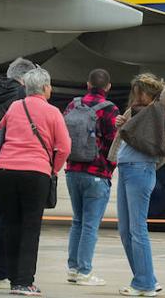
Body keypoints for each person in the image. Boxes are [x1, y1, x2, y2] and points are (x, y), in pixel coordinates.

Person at [0, 67, 71, 296]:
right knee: (30, 227)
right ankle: (24, 281)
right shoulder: (53, 112)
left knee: (10, 224)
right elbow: (64, 147)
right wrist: (52, 169)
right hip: (35, 172)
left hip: (5, 170)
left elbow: (0, 131)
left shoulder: (15, 107)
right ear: (46, 88)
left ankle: (11, 277)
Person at [108, 73, 165, 297]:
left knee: (137, 229)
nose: (136, 96)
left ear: (151, 93)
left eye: (140, 92)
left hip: (140, 169)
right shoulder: (138, 111)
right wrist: (123, 121)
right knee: (125, 231)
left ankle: (144, 284)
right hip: (127, 167)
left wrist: (151, 84)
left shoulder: (160, 109)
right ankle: (147, 278)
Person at [0, 56, 36, 288]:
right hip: (14, 159)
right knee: (10, 219)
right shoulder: (19, 96)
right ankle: (0, 270)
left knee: (1, 215)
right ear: (24, 79)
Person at [63, 68, 120, 287]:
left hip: (72, 171)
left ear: (88, 84)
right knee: (90, 225)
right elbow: (114, 144)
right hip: (96, 173)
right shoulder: (110, 110)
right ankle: (85, 271)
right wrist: (108, 169)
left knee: (77, 221)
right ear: (108, 87)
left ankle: (73, 268)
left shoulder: (72, 105)